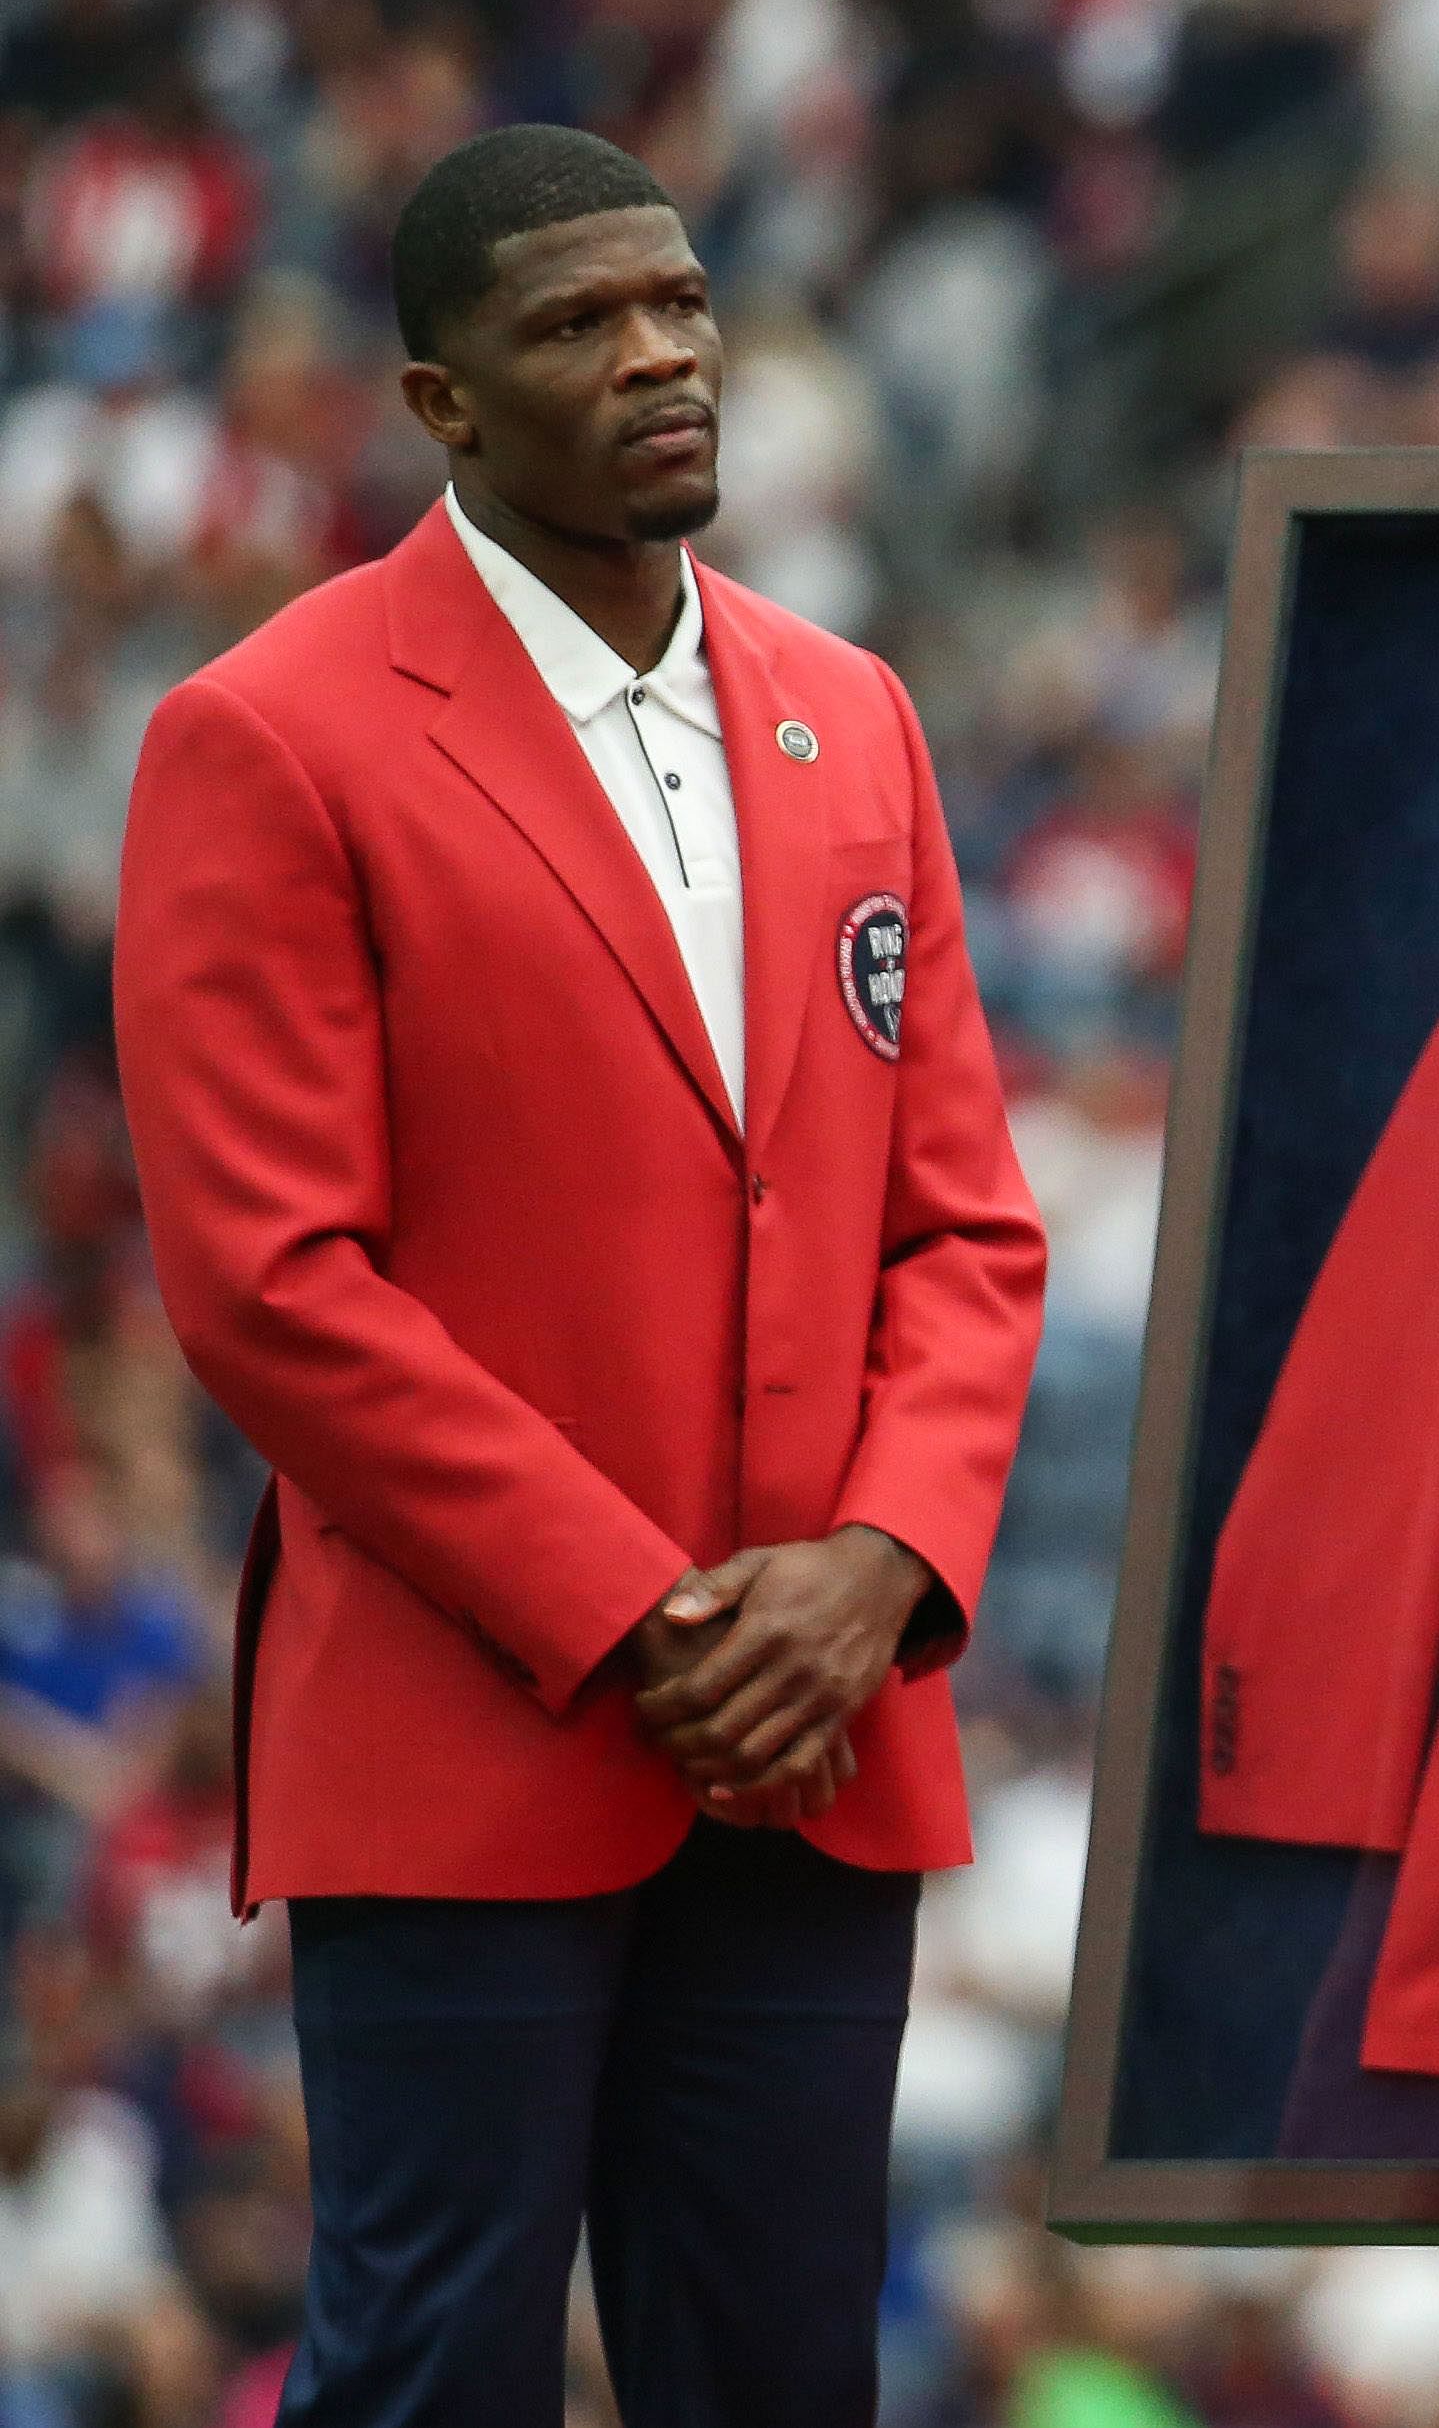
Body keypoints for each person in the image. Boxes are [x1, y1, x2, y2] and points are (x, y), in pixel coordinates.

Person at [110, 125, 1045, 2426]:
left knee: (784, 2374)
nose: (658, 359)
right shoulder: (273, 733)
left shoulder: (859, 712)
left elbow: (966, 1221)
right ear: (442, 402)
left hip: (823, 1724)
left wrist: (882, 1566)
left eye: (681, 305)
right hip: (480, 1714)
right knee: (435, 2372)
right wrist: (642, 1618)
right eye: (575, 326)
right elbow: (268, 1282)